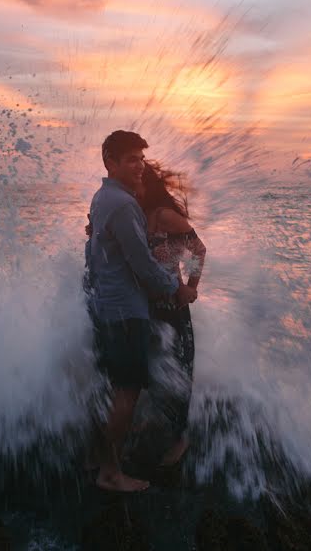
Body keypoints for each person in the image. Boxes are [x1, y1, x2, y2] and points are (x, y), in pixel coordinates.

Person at [85, 130, 197, 492]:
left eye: (141, 160)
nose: (139, 167)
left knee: (140, 381)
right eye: (131, 159)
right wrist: (179, 290)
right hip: (130, 309)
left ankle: (126, 450)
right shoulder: (123, 206)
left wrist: (188, 286)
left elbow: (196, 248)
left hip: (127, 307)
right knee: (128, 389)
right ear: (110, 162)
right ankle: (109, 469)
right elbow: (142, 264)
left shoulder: (106, 200)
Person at [139, 159, 206, 467]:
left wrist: (191, 286)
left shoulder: (165, 215)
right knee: (154, 369)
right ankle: (156, 421)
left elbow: (198, 249)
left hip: (173, 308)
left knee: (180, 371)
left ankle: (180, 438)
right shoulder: (139, 215)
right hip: (148, 307)